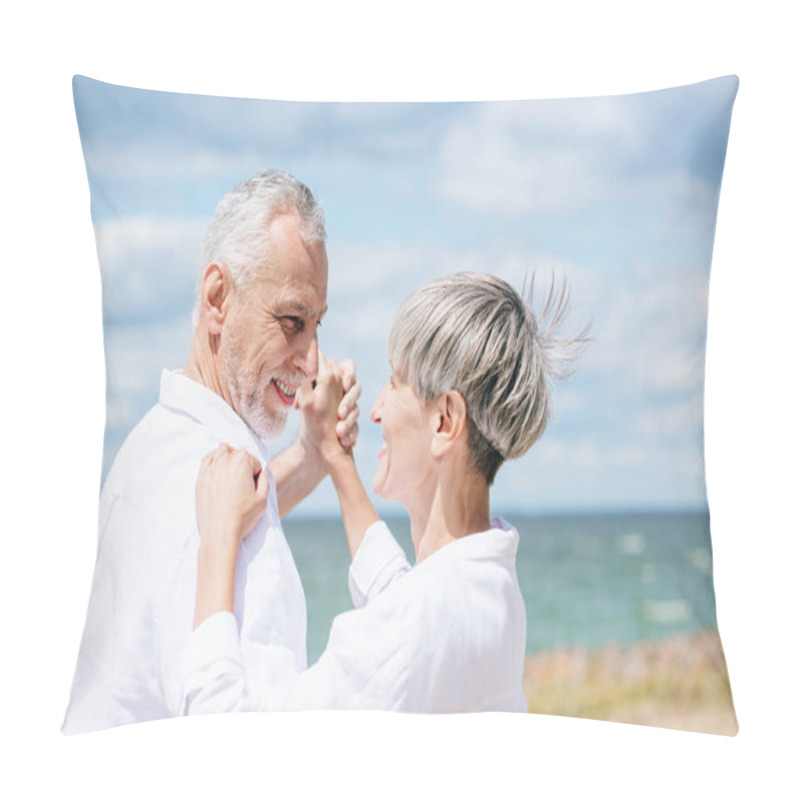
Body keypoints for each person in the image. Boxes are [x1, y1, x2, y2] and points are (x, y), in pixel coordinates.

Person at [172, 272, 585, 714]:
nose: (375, 409)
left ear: (445, 420)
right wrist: (333, 454)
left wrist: (218, 541)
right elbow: (398, 593)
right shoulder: (492, 587)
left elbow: (221, 732)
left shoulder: (409, 628)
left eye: (394, 381)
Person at [62, 169, 366, 734]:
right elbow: (242, 751)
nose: (312, 359)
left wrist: (314, 455)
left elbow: (246, 493)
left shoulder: (156, 446)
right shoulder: (239, 543)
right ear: (218, 298)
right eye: (292, 321)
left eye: (317, 325)